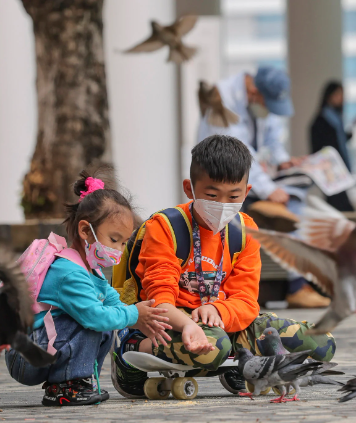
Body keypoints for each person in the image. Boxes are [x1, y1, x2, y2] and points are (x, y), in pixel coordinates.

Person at [110, 135, 336, 398]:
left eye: (233, 196)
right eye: (212, 195)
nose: (222, 205)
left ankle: (240, 362)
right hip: (172, 323)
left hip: (225, 322)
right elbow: (160, 301)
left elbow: (246, 300)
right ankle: (133, 351)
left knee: (321, 342)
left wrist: (218, 308)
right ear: (189, 188)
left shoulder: (245, 229)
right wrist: (188, 325)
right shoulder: (164, 228)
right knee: (215, 345)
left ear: (247, 192)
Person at [5, 169, 171, 407]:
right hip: (25, 357)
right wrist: (134, 314)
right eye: (114, 240)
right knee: (94, 322)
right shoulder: (70, 273)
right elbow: (95, 317)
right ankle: (66, 386)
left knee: (106, 322)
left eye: (124, 243)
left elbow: (113, 302)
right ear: (85, 231)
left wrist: (140, 314)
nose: (120, 250)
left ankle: (77, 381)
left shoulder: (90, 270)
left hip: (39, 348)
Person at [197, 66, 330, 308]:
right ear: (254, 92)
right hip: (224, 181)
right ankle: (295, 286)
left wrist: (283, 161)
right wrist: (269, 190)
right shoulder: (224, 97)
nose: (268, 111)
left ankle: (299, 284)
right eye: (267, 104)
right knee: (234, 231)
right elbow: (239, 152)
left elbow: (271, 138)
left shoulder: (257, 101)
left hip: (248, 182)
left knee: (296, 205)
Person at [310, 81, 356, 212]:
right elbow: (324, 146)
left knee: (337, 205)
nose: (340, 98)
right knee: (341, 206)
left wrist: (348, 135)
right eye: (337, 94)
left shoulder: (336, 118)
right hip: (330, 170)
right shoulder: (322, 119)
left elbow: (336, 142)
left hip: (338, 169)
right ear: (329, 95)